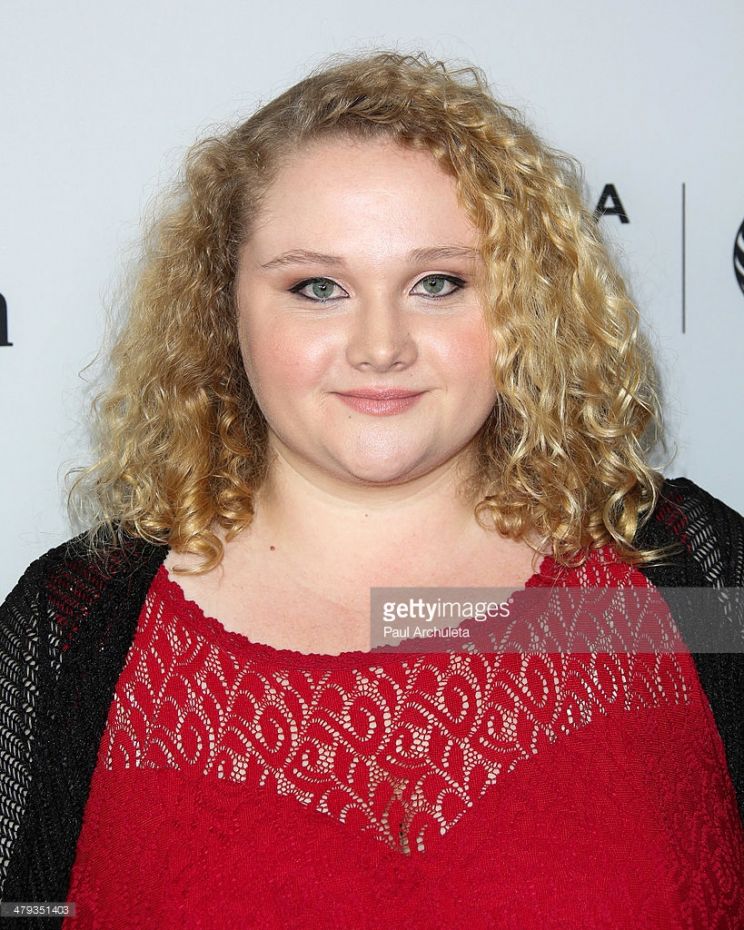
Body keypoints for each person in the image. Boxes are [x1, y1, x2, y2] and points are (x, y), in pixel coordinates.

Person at [1, 48, 742, 929]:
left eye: (439, 283)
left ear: (523, 307)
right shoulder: (77, 624)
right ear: (222, 308)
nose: (380, 345)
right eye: (318, 287)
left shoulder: (689, 577)